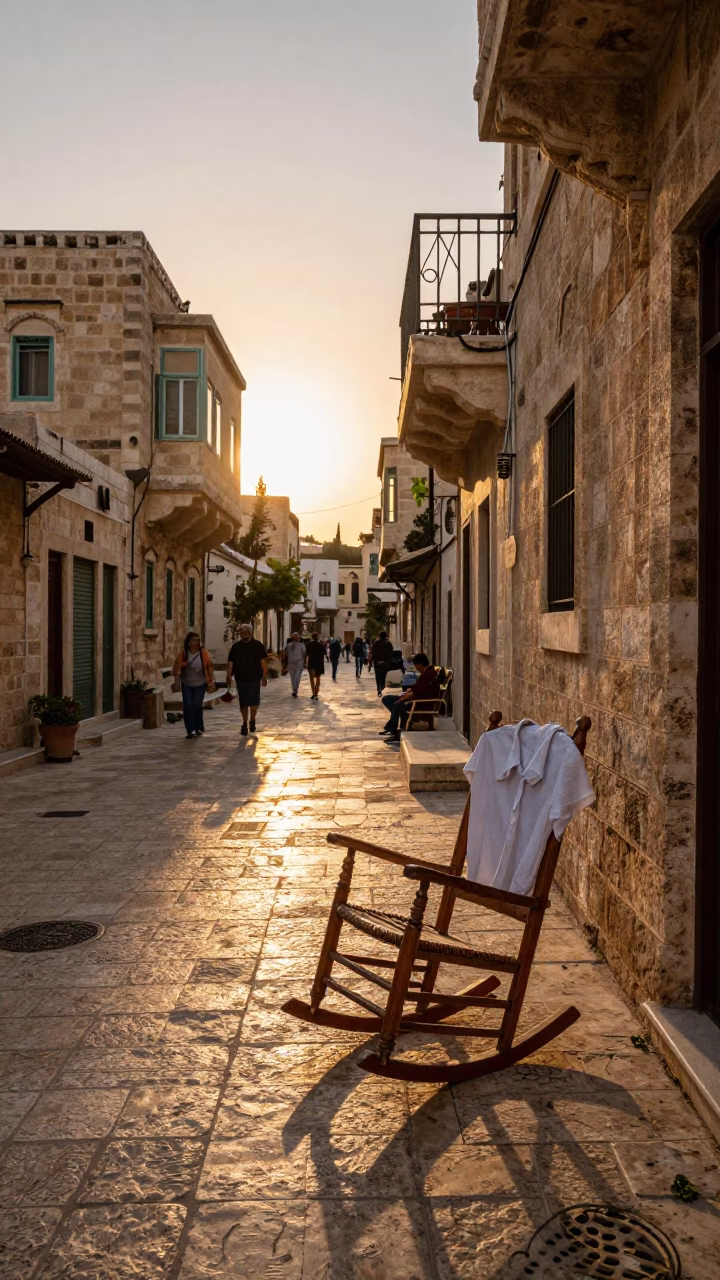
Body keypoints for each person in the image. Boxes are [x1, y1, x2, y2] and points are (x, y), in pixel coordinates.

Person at [379, 652, 439, 742]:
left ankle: (394, 731)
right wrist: (406, 693)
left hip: (420, 704)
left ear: (419, 664)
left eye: (415, 665)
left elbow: (417, 694)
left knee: (397, 704)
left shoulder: (427, 675)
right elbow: (418, 689)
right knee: (387, 699)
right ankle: (394, 724)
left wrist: (402, 699)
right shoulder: (426, 672)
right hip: (417, 699)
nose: (415, 667)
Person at [226, 623, 268, 736]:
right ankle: (244, 723)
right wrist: (228, 674)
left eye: (246, 631)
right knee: (243, 702)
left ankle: (252, 719)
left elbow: (263, 662)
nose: (243, 634)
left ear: (250, 633)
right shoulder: (236, 647)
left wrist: (264, 675)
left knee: (254, 703)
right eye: (242, 632)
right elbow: (231, 661)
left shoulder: (258, 645)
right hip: (240, 678)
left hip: (254, 678)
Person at [172, 631, 215, 739]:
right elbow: (176, 667)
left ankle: (198, 727)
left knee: (196, 705)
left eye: (197, 640)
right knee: (188, 706)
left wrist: (210, 680)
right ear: (188, 642)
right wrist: (183, 665)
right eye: (192, 640)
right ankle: (190, 730)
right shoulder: (183, 654)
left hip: (200, 683)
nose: (194, 643)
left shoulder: (203, 653)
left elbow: (209, 665)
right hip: (186, 683)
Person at [371, 630, 395, 695]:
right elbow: (391, 653)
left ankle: (379, 689)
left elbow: (373, 653)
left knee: (378, 676)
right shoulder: (388, 643)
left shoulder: (376, 643)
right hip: (386, 663)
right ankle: (383, 688)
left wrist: (373, 661)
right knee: (384, 677)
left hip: (377, 663)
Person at [305, 631, 326, 699]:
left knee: (311, 678)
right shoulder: (321, 645)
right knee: (318, 678)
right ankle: (316, 693)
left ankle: (313, 693)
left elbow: (307, 654)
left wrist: (306, 663)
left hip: (312, 663)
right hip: (319, 663)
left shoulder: (309, 644)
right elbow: (324, 653)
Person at [284, 632, 306, 697]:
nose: (297, 638)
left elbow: (304, 654)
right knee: (293, 677)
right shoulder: (289, 646)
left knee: (297, 676)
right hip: (291, 662)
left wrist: (304, 662)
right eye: (296, 636)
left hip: (298, 662)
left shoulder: (301, 645)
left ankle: (295, 689)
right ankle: (294, 690)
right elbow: (286, 654)